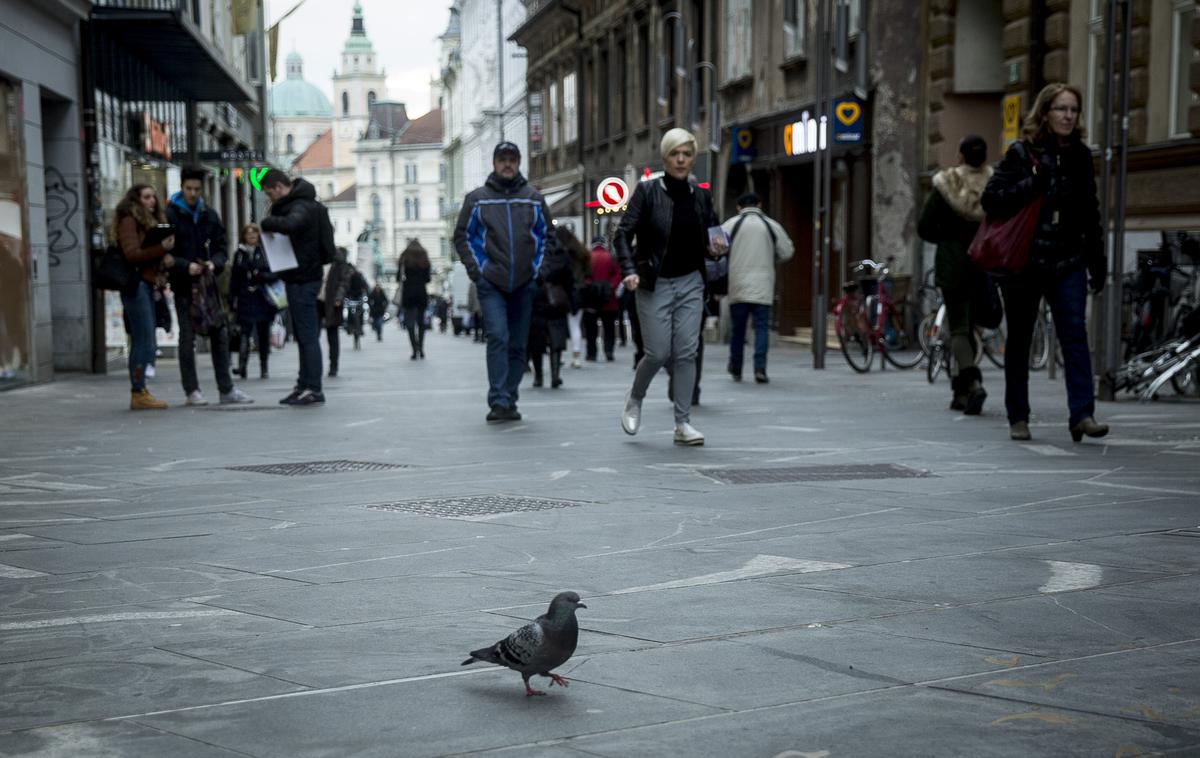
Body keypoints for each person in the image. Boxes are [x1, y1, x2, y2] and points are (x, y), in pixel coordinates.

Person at [982, 83, 1108, 443]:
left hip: (1068, 259)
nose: (1068, 116)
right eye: (1061, 109)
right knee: (1020, 340)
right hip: (1026, 262)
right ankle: (1018, 416)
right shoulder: (1022, 153)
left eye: (1073, 110)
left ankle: (1083, 414)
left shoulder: (1081, 155)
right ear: (1045, 113)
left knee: (1074, 335)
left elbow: (1090, 212)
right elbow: (993, 200)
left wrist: (1097, 262)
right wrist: (1033, 183)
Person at [615, 128, 725, 446]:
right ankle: (635, 397)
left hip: (691, 282)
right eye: (675, 154)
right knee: (659, 352)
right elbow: (623, 234)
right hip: (654, 282)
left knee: (687, 353)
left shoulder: (701, 196)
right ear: (665, 157)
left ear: (692, 158)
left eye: (687, 154)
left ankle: (683, 422)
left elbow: (712, 237)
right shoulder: (648, 192)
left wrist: (717, 247)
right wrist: (629, 269)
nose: (681, 159)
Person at [453, 140, 556, 423]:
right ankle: (498, 400)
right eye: (503, 159)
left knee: (518, 344)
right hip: (492, 283)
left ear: (519, 162)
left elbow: (548, 237)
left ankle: (510, 398)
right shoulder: (478, 199)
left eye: (512, 158)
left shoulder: (533, 199)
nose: (507, 164)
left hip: (525, 283)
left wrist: (539, 272)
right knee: (498, 336)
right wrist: (478, 270)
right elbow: (462, 236)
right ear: (495, 163)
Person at [918, 135, 993, 414]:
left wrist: (948, 239)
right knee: (971, 326)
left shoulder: (947, 183)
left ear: (960, 156)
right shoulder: (994, 183)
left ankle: (972, 383)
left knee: (959, 327)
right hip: (983, 264)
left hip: (953, 265)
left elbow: (924, 226)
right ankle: (960, 394)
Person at [164, 166, 252, 406]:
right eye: (189, 189)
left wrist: (215, 263)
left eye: (197, 189)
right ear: (181, 188)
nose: (193, 193)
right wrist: (184, 266)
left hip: (208, 284)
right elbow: (162, 251)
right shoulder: (169, 214)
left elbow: (222, 246)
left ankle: (226, 389)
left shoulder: (209, 214)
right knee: (187, 337)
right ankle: (192, 391)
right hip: (184, 284)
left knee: (219, 334)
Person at [260, 168, 333, 406]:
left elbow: (293, 224)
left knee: (307, 334)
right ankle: (304, 384)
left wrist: (268, 222)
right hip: (300, 276)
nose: (271, 199)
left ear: (278, 188)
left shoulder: (301, 205)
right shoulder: (303, 202)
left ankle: (313, 387)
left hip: (303, 278)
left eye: (270, 194)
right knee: (303, 334)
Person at [720, 192, 795, 384]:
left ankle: (736, 367)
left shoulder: (731, 224)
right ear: (759, 204)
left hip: (738, 284)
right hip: (763, 284)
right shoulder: (771, 225)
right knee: (761, 328)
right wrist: (772, 258)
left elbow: (716, 248)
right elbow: (787, 251)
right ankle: (760, 368)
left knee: (738, 329)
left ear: (739, 207)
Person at [114, 184, 175, 409]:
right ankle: (138, 392)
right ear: (136, 200)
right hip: (136, 285)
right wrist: (161, 249)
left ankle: (140, 390)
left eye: (153, 197)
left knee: (147, 340)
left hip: (147, 285)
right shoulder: (129, 220)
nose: (152, 201)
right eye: (146, 197)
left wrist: (163, 259)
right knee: (143, 340)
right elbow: (132, 254)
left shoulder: (150, 221)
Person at [529, 228, 578, 388]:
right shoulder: (561, 254)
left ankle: (539, 377)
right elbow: (569, 280)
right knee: (556, 338)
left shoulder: (532, 253)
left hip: (536, 301)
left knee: (537, 341)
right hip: (557, 302)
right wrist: (573, 301)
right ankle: (555, 375)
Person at [230, 223, 278, 380]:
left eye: (254, 234)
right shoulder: (239, 253)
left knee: (263, 334)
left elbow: (275, 274)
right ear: (244, 236)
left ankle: (264, 367)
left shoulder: (265, 252)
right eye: (248, 234)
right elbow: (234, 278)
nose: (251, 237)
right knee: (244, 332)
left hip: (262, 298)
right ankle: (242, 366)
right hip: (245, 298)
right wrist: (232, 297)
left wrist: (261, 276)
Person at [583, 236, 622, 362]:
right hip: (609, 299)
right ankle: (609, 351)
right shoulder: (611, 257)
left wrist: (590, 287)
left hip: (591, 300)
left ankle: (591, 353)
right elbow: (618, 275)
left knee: (591, 329)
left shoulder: (588, 258)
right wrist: (610, 287)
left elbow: (583, 277)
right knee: (609, 327)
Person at [322, 247, 354, 376]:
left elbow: (344, 283)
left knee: (332, 335)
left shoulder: (340, 263)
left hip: (332, 302)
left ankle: (333, 365)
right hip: (316, 300)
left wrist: (339, 298)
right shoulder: (317, 257)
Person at [399, 240, 432, 359]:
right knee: (421, 322)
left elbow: (399, 276)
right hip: (421, 292)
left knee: (410, 322)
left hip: (408, 293)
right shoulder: (424, 256)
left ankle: (414, 349)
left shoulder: (404, 256)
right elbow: (428, 279)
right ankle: (421, 348)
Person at [565, 234, 590, 367]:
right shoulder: (583, 254)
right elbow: (589, 273)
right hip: (580, 291)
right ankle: (576, 355)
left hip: (565, 292)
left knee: (562, 325)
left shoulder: (564, 254)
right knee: (575, 325)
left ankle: (560, 354)